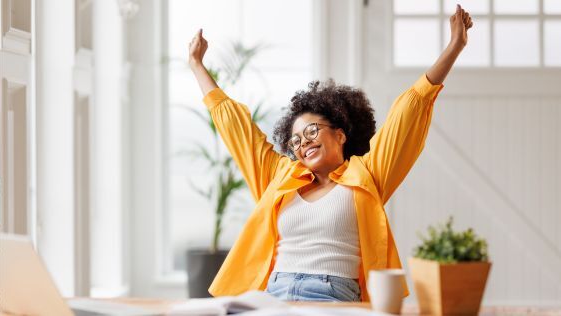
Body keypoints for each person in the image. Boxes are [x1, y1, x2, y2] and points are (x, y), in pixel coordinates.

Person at [188, 4, 473, 302]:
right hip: (275, 293)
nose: (303, 143)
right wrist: (197, 66)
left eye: (312, 131)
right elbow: (237, 129)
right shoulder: (281, 177)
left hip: (332, 294)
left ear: (340, 133)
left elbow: (409, 112)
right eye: (296, 140)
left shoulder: (367, 175)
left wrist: (454, 47)